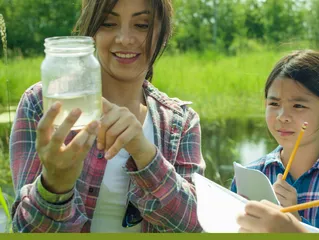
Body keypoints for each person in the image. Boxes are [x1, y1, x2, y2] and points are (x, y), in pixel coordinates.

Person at [9, 0, 205, 233]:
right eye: (108, 23)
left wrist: (144, 153)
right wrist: (55, 184)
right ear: (90, 32)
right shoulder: (44, 104)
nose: (124, 38)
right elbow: (25, 230)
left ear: (163, 34)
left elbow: (194, 226)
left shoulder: (180, 122)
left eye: (142, 25)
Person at [234, 0, 319, 233]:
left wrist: (295, 223)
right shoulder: (252, 175)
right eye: (274, 103)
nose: (282, 116)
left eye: (298, 105)